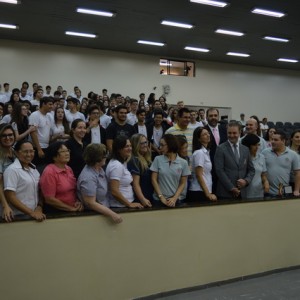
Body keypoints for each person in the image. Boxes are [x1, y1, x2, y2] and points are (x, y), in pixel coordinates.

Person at [77, 143, 122, 223]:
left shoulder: (99, 169)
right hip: (93, 217)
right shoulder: (88, 177)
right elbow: (90, 203)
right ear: (97, 159)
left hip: (104, 210)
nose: (106, 157)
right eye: (104, 156)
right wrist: (112, 214)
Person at [3, 140, 45, 221]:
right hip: (17, 217)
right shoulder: (12, 170)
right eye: (25, 152)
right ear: (17, 153)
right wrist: (31, 213)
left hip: (34, 216)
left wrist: (39, 207)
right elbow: (10, 196)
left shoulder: (34, 169)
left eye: (31, 151)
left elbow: (39, 191)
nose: (29, 154)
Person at [214, 121, 255, 199]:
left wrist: (246, 181)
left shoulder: (245, 149)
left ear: (240, 132)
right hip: (226, 193)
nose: (232, 135)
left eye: (234, 133)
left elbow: (251, 170)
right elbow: (219, 171)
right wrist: (231, 188)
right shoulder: (220, 149)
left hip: (242, 193)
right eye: (229, 133)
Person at [40, 141, 83, 212]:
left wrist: (78, 202)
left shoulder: (68, 168)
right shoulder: (49, 172)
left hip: (73, 208)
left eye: (67, 150)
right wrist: (70, 208)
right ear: (54, 156)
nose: (67, 153)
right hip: (57, 212)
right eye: (63, 151)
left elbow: (72, 191)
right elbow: (49, 199)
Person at [150, 134, 191, 207]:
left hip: (175, 200)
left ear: (170, 145)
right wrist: (161, 197)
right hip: (158, 200)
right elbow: (153, 179)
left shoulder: (183, 162)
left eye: (162, 145)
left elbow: (182, 183)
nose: (160, 147)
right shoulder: (157, 159)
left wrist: (174, 198)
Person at [106, 136, 143, 208]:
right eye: (126, 146)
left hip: (124, 204)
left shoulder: (122, 162)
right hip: (120, 206)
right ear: (119, 149)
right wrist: (129, 204)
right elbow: (114, 191)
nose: (130, 148)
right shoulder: (116, 166)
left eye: (130, 146)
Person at [262, 130, 300, 197]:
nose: (272, 142)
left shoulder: (293, 155)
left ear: (283, 141)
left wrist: (296, 190)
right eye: (272, 139)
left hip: (286, 191)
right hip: (267, 192)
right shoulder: (264, 152)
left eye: (276, 140)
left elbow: (297, 174)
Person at [189, 127, 217, 202]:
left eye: (208, 133)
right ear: (199, 139)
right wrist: (208, 194)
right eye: (204, 134)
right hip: (199, 191)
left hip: (205, 190)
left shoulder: (206, 152)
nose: (208, 135)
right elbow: (199, 175)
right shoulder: (199, 153)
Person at [204, 108, 228, 192]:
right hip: (209, 169)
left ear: (218, 117)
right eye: (210, 116)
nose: (213, 117)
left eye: (215, 115)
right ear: (206, 117)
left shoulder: (224, 129)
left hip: (224, 168)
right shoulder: (203, 131)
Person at [127, 134, 153, 207]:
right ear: (135, 145)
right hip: (141, 199)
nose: (145, 145)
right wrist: (142, 199)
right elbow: (135, 184)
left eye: (146, 142)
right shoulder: (134, 160)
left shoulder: (147, 159)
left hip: (150, 196)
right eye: (142, 143)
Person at [241, 133, 270, 199]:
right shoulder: (241, 158)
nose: (257, 147)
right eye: (254, 145)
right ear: (248, 146)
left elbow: (263, 175)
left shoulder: (261, 157)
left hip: (259, 193)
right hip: (245, 193)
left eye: (258, 144)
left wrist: (266, 182)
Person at [29, 96, 54, 168]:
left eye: (52, 104)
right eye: (50, 104)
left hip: (46, 147)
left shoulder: (49, 116)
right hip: (37, 148)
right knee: (37, 168)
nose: (51, 106)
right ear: (43, 104)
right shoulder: (35, 115)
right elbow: (33, 133)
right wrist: (39, 149)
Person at [0, 124, 16, 221]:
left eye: (10, 135)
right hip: (3, 202)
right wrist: (5, 205)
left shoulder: (15, 152)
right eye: (4, 135)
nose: (8, 138)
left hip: (14, 198)